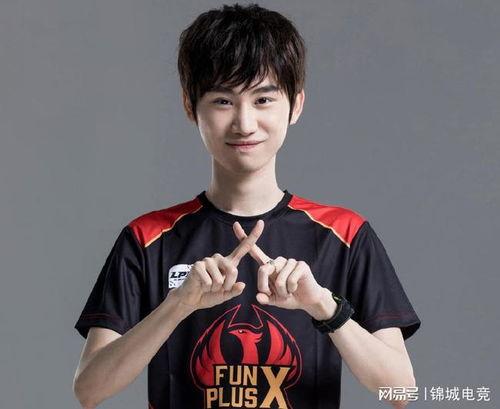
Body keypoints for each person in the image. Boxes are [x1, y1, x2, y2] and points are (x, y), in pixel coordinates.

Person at [73, 3, 421, 409]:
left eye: (263, 99)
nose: (244, 123)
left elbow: (402, 391)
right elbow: (89, 390)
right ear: (190, 106)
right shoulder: (147, 238)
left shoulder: (344, 235)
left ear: (296, 105)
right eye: (223, 101)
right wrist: (177, 305)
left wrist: (324, 306)